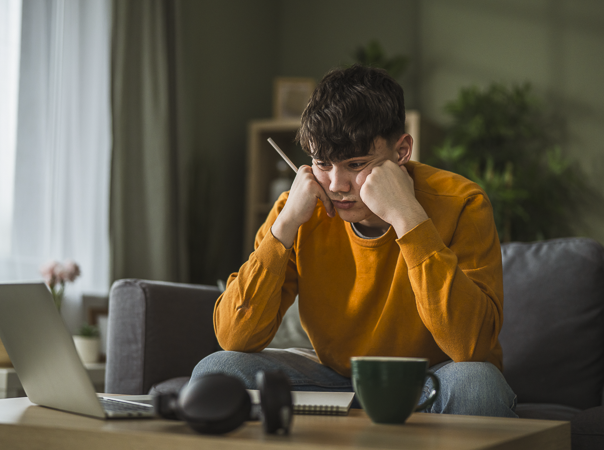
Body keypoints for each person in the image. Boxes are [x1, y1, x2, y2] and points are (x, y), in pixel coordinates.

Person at [192, 65, 517, 418]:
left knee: (476, 383)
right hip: (336, 378)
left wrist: (409, 218)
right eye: (322, 163)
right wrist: (284, 226)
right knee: (218, 371)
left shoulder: (463, 202)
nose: (336, 185)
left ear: (402, 151)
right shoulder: (297, 209)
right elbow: (234, 337)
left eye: (356, 164)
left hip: (430, 381)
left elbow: (470, 346)